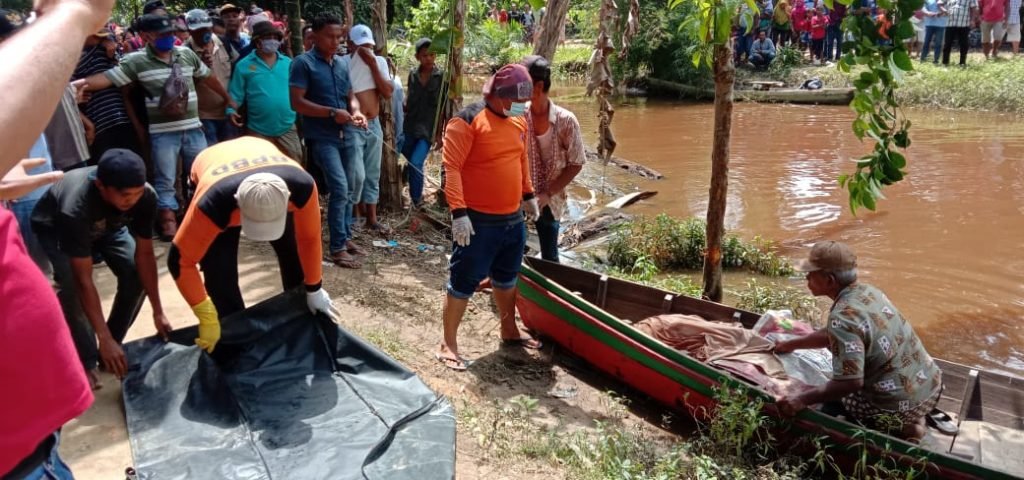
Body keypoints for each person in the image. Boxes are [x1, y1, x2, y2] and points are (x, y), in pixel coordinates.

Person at [168, 137, 335, 354]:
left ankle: (299, 320)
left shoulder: (303, 187)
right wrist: (206, 316)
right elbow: (179, 261)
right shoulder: (212, 203)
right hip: (215, 173)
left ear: (288, 200)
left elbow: (309, 240)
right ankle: (235, 337)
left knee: (292, 254)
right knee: (219, 270)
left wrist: (314, 289)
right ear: (238, 203)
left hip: (261, 157)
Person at [78, 13, 236, 241]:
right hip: (163, 133)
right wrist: (71, 86)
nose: (169, 37)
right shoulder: (136, 61)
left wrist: (227, 98)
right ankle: (167, 219)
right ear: (145, 36)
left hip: (193, 127)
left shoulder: (186, 54)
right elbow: (106, 78)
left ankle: (203, 216)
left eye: (171, 33)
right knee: (165, 178)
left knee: (203, 173)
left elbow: (208, 76)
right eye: (162, 34)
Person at [773, 241, 943, 441]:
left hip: (894, 409)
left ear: (829, 280)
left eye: (811, 274)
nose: (807, 278)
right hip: (932, 387)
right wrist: (789, 344)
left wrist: (801, 399)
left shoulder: (842, 317)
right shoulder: (870, 292)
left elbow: (850, 384)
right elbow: (830, 334)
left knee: (832, 389)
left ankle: (906, 426)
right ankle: (917, 418)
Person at [32, 149, 170, 386]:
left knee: (135, 275)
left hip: (109, 226)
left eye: (137, 194)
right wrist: (100, 336)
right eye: (126, 195)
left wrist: (158, 310)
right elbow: (83, 280)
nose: (133, 200)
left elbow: (145, 254)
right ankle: (85, 360)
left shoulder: (146, 195)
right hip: (55, 226)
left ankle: (111, 345)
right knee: (72, 287)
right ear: (100, 186)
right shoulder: (74, 208)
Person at [437, 64, 541, 371]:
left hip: (512, 220)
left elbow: (520, 159)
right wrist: (459, 213)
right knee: (462, 282)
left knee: (507, 279)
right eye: (517, 100)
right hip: (477, 222)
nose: (522, 106)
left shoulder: (518, 120)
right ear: (498, 95)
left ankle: (509, 330)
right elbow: (451, 168)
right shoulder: (466, 121)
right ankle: (448, 343)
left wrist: (529, 195)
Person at [290, 13, 364, 269]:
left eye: (339, 37)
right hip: (322, 137)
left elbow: (350, 95)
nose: (335, 42)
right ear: (315, 36)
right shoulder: (303, 63)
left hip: (347, 133)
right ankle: (337, 248)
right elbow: (297, 102)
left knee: (353, 185)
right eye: (330, 37)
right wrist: (332, 113)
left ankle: (344, 234)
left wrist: (355, 111)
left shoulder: (342, 63)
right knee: (340, 188)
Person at [521, 56, 584, 263]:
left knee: (550, 256)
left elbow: (576, 163)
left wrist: (547, 194)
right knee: (512, 248)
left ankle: (548, 290)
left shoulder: (566, 121)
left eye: (523, 83)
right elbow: (493, 113)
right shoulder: (519, 112)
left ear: (538, 86)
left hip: (551, 197)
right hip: (521, 194)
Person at [344, 24, 394, 236]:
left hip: (373, 124)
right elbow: (348, 94)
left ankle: (371, 219)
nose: (365, 50)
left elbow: (388, 92)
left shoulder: (378, 61)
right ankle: (355, 216)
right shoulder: (343, 63)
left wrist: (373, 63)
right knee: (357, 175)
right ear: (350, 45)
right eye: (361, 46)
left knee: (372, 174)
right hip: (353, 125)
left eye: (369, 46)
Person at [228, 21, 300, 160]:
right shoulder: (244, 65)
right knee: (262, 167)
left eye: (275, 37)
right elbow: (236, 93)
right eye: (268, 37)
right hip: (257, 128)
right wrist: (231, 110)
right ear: (257, 41)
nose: (272, 41)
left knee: (295, 162)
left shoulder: (288, 63)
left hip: (287, 125)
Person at [73, 27, 144, 161]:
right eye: (97, 36)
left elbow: (124, 84)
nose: (100, 39)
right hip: (99, 127)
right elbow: (66, 99)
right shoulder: (71, 59)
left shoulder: (107, 49)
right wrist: (89, 125)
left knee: (133, 166)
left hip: (122, 119)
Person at [402, 37, 446, 208]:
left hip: (427, 129)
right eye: (424, 55)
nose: (429, 58)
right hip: (409, 126)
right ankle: (408, 172)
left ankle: (416, 200)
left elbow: (442, 108)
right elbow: (408, 97)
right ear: (417, 57)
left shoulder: (441, 77)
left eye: (432, 55)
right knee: (404, 153)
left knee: (416, 161)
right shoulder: (412, 75)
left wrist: (439, 134)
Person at [185, 9, 238, 146]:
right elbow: (185, 86)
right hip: (204, 116)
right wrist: (200, 68)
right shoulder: (185, 51)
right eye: (198, 30)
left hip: (227, 111)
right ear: (190, 31)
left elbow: (237, 71)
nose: (204, 33)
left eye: (206, 28)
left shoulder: (224, 42)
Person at [942, 0, 979, 66]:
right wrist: (944, 10)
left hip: (964, 24)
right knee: (947, 44)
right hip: (950, 23)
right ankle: (945, 62)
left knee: (964, 44)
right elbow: (939, 3)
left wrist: (972, 20)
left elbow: (974, 8)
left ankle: (962, 62)